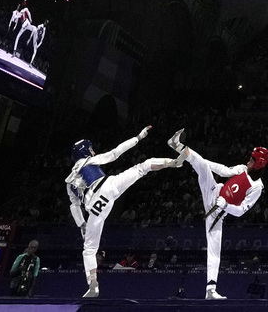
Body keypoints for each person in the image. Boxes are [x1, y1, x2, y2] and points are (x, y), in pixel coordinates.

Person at [66, 126, 183, 297]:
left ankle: (93, 285)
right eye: (90, 148)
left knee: (89, 250)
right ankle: (173, 162)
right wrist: (138, 138)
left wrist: (82, 224)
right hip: (108, 187)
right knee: (142, 167)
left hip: (95, 209)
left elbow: (74, 205)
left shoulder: (69, 182)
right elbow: (114, 153)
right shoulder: (87, 161)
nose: (93, 151)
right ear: (83, 151)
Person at [174, 131, 268, 300]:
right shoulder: (242, 169)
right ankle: (178, 146)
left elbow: (241, 211)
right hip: (213, 191)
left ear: (259, 165)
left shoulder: (257, 187)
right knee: (202, 167)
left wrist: (225, 205)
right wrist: (203, 162)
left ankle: (210, 290)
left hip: (217, 214)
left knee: (214, 251)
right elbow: (222, 170)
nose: (249, 160)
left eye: (253, 160)